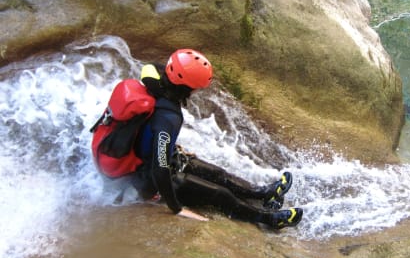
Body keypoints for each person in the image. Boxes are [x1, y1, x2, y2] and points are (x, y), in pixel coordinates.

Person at [104, 49, 303, 229]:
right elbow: (160, 168)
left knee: (217, 174)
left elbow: (148, 68)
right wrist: (176, 208)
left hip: (149, 157)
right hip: (147, 180)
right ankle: (269, 219)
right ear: (188, 88)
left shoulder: (154, 78)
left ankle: (263, 193)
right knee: (220, 194)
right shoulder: (168, 118)